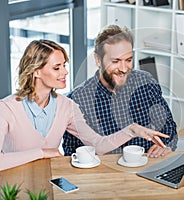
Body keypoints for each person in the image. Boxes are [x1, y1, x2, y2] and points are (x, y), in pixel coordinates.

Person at [0, 39, 169, 171]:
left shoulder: (66, 106)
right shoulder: (6, 109)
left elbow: (97, 145)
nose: (65, 72)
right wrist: (41, 153)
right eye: (57, 67)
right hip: (11, 189)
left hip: (50, 182)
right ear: (36, 71)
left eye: (64, 66)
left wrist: (131, 130)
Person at [62, 25, 178, 158]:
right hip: (103, 174)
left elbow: (168, 126)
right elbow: (71, 153)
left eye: (128, 60)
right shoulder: (77, 99)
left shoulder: (145, 82)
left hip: (146, 164)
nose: (123, 68)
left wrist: (163, 145)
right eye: (116, 61)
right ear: (98, 59)